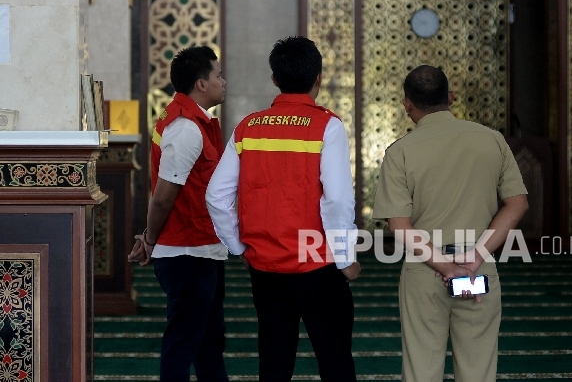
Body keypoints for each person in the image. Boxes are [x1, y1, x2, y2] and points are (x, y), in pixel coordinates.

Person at [206, 36, 360, 382]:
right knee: (335, 362)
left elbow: (216, 195)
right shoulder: (327, 126)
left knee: (274, 364)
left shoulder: (248, 127)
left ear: (274, 78)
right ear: (318, 77)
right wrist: (346, 258)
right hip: (318, 265)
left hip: (266, 267)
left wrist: (238, 246)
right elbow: (336, 200)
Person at [373, 65, 528, 382]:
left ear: (407, 105)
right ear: (451, 97)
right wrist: (473, 259)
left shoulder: (400, 151)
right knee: (478, 369)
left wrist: (446, 267)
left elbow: (400, 226)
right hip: (477, 268)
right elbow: (517, 204)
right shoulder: (492, 140)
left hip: (425, 271)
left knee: (421, 371)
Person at [127, 45, 229, 382]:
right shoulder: (185, 129)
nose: (223, 81)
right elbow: (162, 197)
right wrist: (150, 239)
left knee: (209, 343)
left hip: (201, 249)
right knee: (184, 344)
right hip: (188, 253)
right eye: (218, 76)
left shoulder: (197, 122)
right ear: (201, 83)